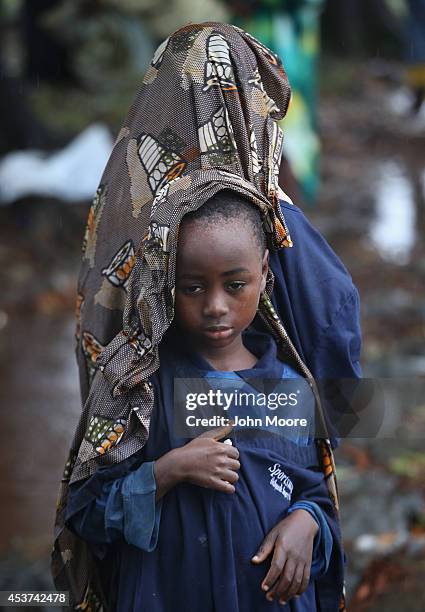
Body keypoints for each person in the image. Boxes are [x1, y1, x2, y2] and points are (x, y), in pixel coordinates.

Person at [51, 22, 361, 611]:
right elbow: (90, 503)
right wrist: (162, 469)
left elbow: (311, 482)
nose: (216, 305)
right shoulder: (149, 381)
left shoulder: (127, 206)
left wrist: (307, 519)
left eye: (237, 284)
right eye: (192, 286)